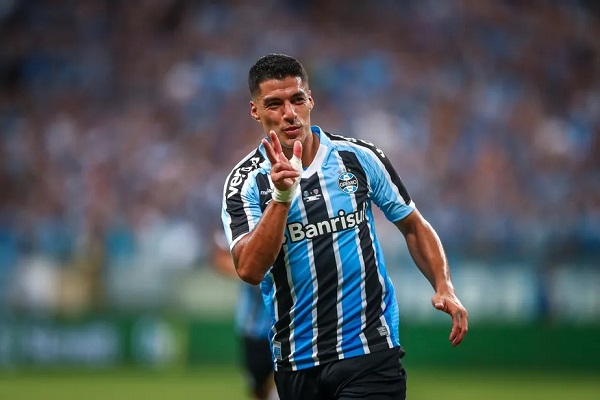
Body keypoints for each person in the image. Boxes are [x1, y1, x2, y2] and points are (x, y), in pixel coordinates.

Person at [221, 53, 468, 400]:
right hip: (297, 359)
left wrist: (444, 285)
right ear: (255, 111)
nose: (289, 113)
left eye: (297, 99)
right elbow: (249, 269)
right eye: (274, 104)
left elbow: (413, 224)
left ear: (311, 100)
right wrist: (281, 197)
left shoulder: (357, 157)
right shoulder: (245, 183)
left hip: (369, 349)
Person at [211, 231, 280, 400]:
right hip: (255, 327)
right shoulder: (242, 218)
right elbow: (220, 258)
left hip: (290, 323)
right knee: (258, 388)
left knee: (293, 381)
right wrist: (251, 270)